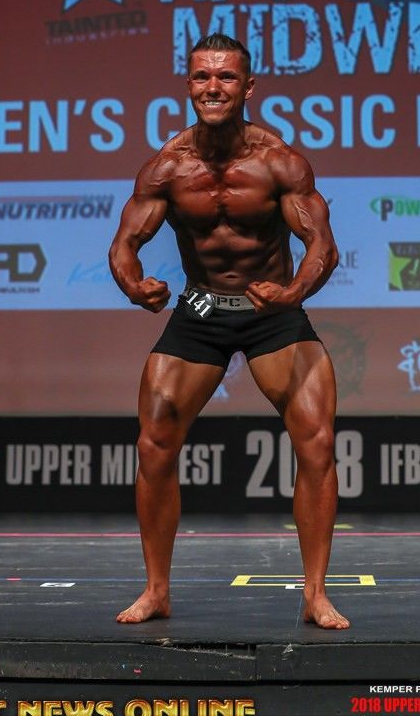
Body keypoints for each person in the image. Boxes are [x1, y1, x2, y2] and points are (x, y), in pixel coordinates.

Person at [108, 33, 349, 629]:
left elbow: (321, 245)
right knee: (154, 443)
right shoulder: (167, 167)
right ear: (188, 84)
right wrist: (133, 284)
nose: (212, 87)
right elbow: (125, 243)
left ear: (248, 87)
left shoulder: (279, 162)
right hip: (201, 310)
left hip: (272, 312)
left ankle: (315, 594)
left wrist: (293, 293)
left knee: (317, 442)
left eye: (225, 77)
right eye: (201, 77)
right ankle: (156, 590)